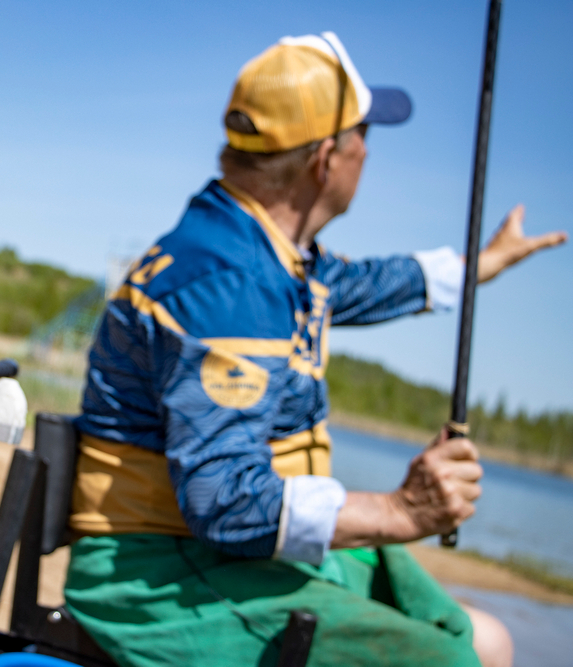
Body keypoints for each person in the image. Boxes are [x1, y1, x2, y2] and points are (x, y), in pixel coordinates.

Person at [64, 32, 567, 667]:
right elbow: (225, 501)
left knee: (486, 638)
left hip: (231, 551)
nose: (368, 154)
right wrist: (397, 510)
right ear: (326, 159)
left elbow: (364, 285)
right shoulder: (228, 282)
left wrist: (478, 266)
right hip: (160, 574)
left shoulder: (266, 254)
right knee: (455, 660)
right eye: (365, 137)